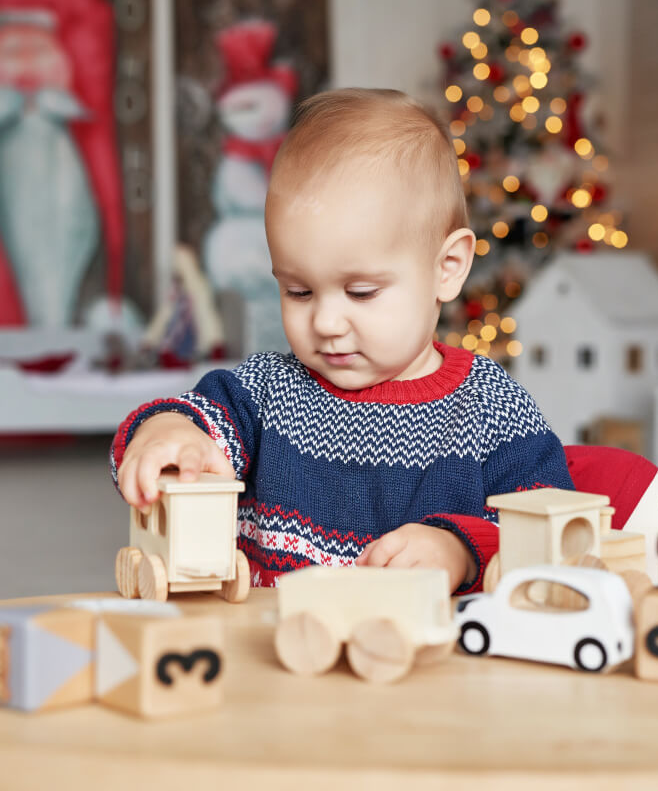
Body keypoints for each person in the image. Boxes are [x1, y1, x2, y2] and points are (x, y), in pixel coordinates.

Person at [111, 88, 574, 594]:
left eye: (360, 292)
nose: (327, 322)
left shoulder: (491, 408)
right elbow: (192, 422)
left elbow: (548, 530)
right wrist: (166, 433)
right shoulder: (266, 392)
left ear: (447, 268)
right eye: (299, 291)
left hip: (426, 642)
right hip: (270, 638)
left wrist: (461, 551)